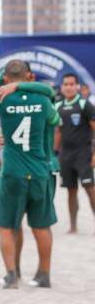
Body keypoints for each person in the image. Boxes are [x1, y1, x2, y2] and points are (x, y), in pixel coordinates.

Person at [0, 60, 59, 288]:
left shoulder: (0, 98)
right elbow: (55, 118)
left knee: (7, 226)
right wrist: (24, 85)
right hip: (39, 170)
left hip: (13, 172)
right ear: (30, 77)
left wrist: (5, 82)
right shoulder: (43, 100)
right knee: (41, 226)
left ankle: (12, 276)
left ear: (5, 79)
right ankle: (44, 274)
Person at [52, 73, 95, 234]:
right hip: (65, 155)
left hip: (83, 153)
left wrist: (94, 154)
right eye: (65, 84)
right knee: (71, 191)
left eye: (71, 84)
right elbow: (57, 132)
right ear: (62, 87)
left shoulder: (85, 105)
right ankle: (73, 226)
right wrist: (54, 154)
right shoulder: (57, 106)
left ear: (77, 86)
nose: (68, 87)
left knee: (90, 188)